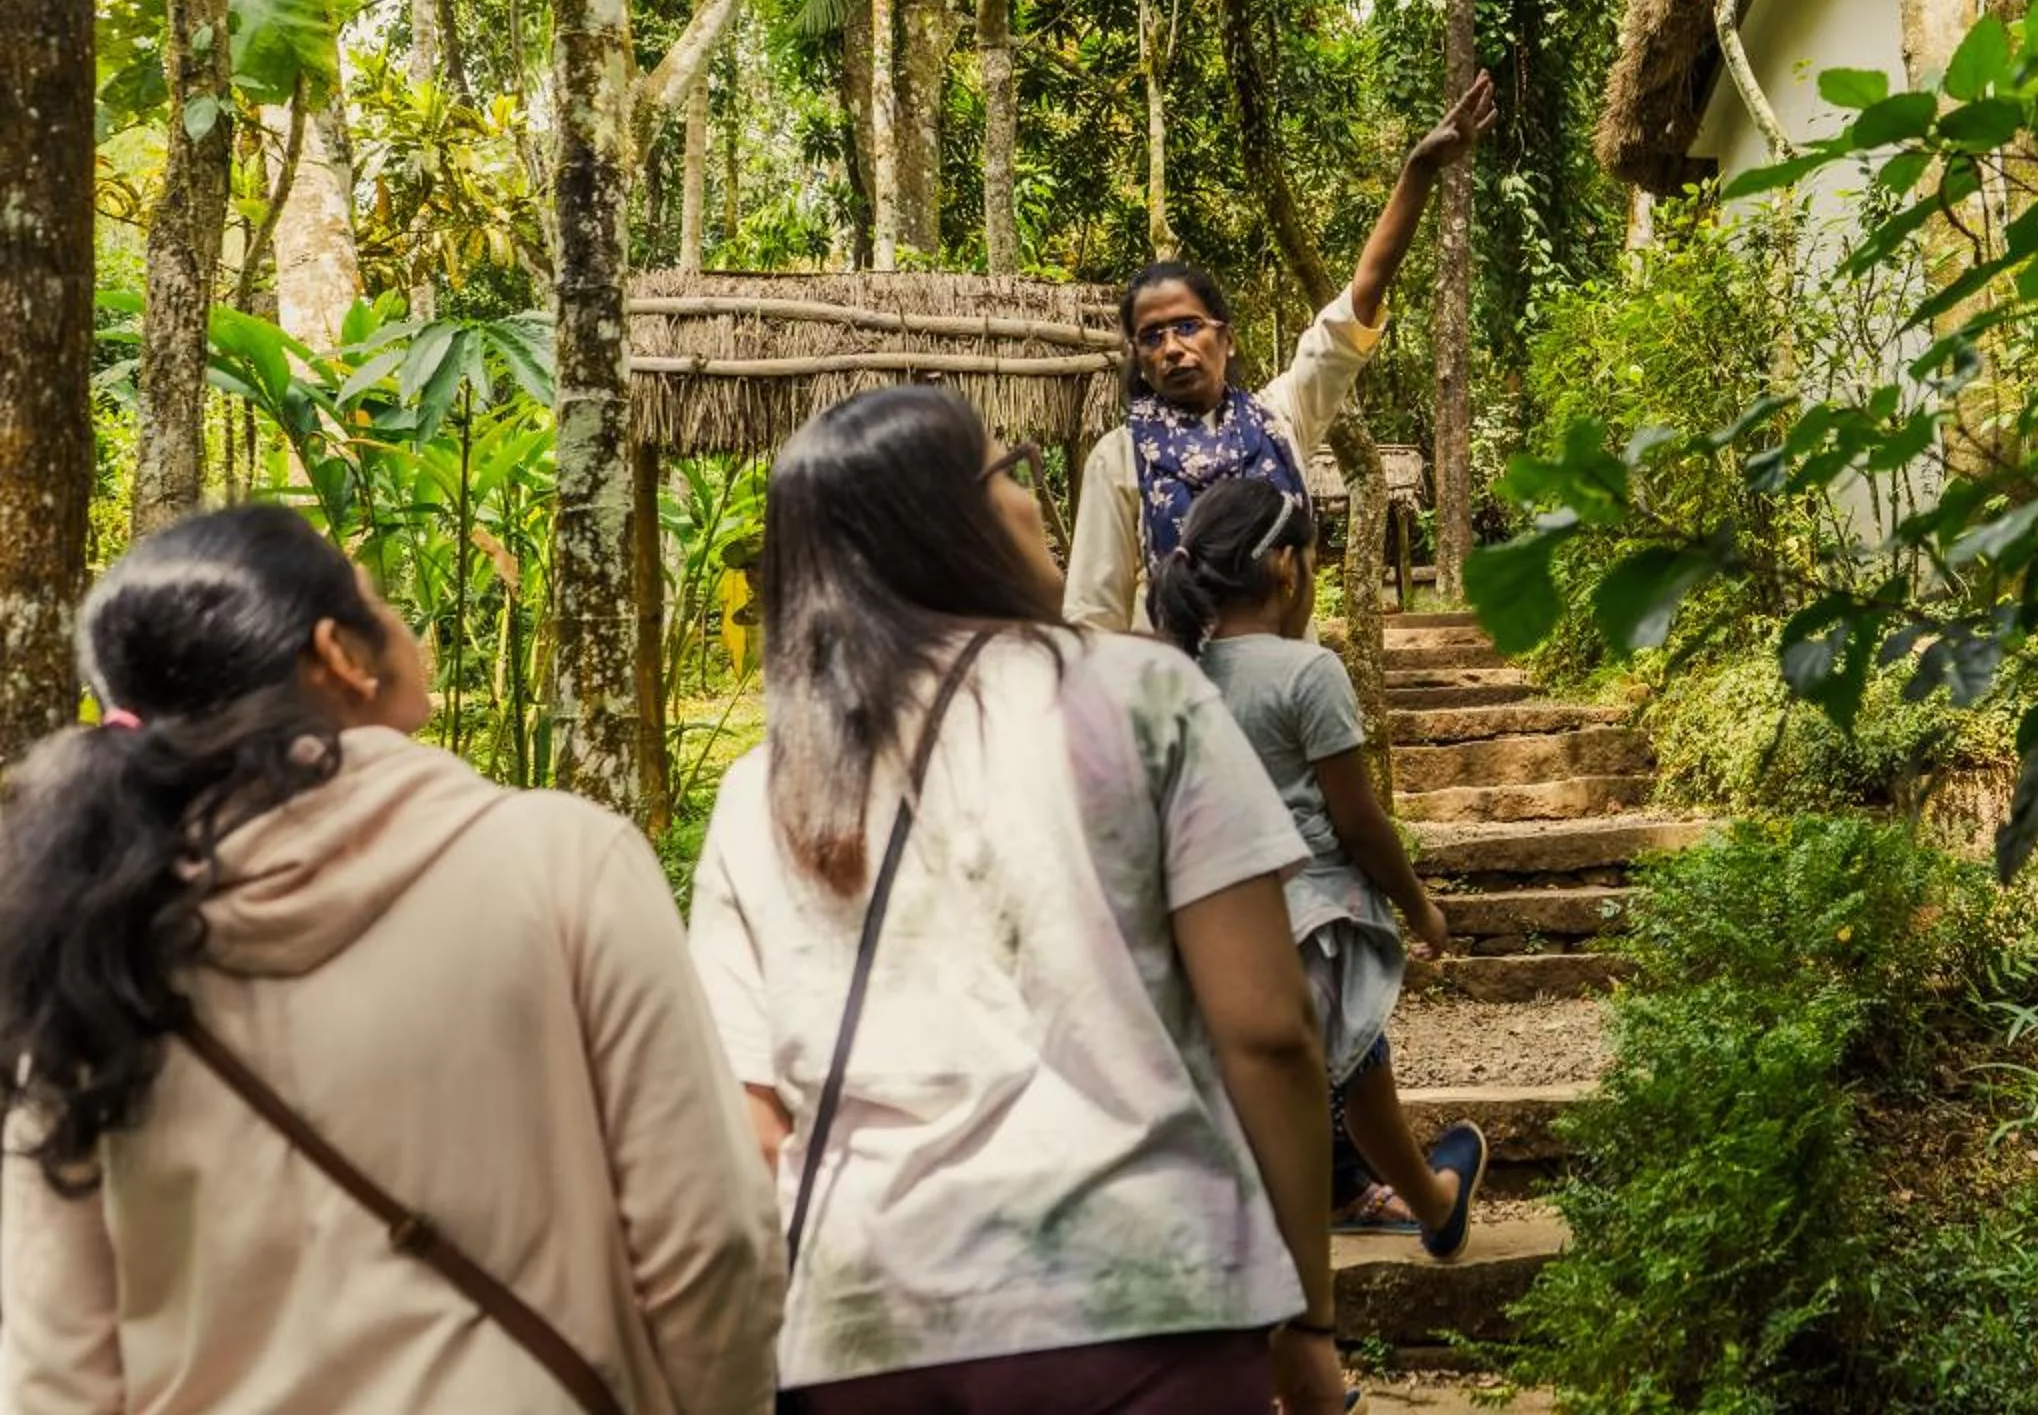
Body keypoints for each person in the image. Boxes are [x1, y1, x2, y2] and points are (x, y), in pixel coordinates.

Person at [0, 506, 781, 1415]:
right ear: (340, 655)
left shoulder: (87, 936)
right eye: (382, 602)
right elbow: (711, 1239)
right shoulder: (566, 864)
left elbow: (55, 1354)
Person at [686, 386, 1351, 1415]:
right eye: (1013, 473)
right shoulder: (1144, 696)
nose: (1039, 502)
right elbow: (1267, 1031)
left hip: (867, 1327)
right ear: (949, 518)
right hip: (1140, 1299)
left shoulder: (764, 785)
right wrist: (1307, 1314)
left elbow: (753, 1125)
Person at [1151, 478, 1489, 1258]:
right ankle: (1426, 1205)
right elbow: (1358, 820)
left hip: (1211, 921)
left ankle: (1426, 1204)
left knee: (1324, 1078)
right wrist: (1420, 906)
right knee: (1355, 1064)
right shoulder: (1309, 674)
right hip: (1312, 913)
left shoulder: (1177, 679)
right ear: (1286, 569)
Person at [1065, 70, 1498, 633]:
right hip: (1174, 708)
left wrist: (1417, 170)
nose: (1171, 347)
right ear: (1139, 357)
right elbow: (1092, 621)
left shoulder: (1281, 417)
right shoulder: (1119, 458)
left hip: (1284, 697)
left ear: (1226, 337)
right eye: (1151, 336)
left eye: (1188, 326)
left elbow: (1356, 306)